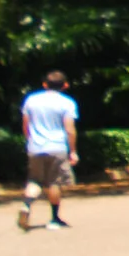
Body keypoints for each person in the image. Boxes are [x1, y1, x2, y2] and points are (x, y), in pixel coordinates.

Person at [18, 70, 80, 230]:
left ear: (45, 84)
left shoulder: (31, 100)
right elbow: (70, 129)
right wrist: (72, 151)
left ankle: (27, 204)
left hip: (35, 147)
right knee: (54, 182)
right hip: (57, 147)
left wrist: (29, 141)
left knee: (34, 180)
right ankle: (54, 219)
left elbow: (26, 125)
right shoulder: (67, 103)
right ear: (65, 85)